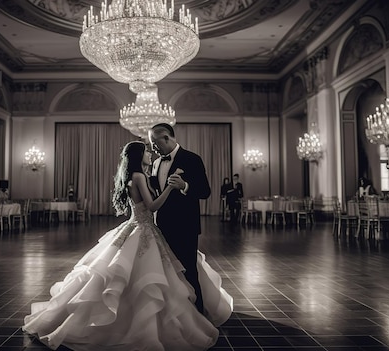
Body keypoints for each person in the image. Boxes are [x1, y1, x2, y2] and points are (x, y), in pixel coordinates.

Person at [22, 141, 232, 351]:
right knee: (145, 278)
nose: (150, 153)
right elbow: (153, 205)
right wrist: (170, 186)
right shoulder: (139, 177)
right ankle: (139, 323)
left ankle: (127, 319)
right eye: (147, 151)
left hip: (140, 227)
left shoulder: (136, 175)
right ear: (139, 155)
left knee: (132, 278)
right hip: (143, 228)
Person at [148, 123, 211, 314]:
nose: (152, 148)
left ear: (167, 137)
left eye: (154, 142)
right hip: (161, 226)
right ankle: (173, 312)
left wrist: (185, 185)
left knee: (188, 270)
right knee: (166, 271)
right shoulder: (156, 164)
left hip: (185, 226)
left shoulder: (192, 159)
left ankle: (197, 313)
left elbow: (205, 192)